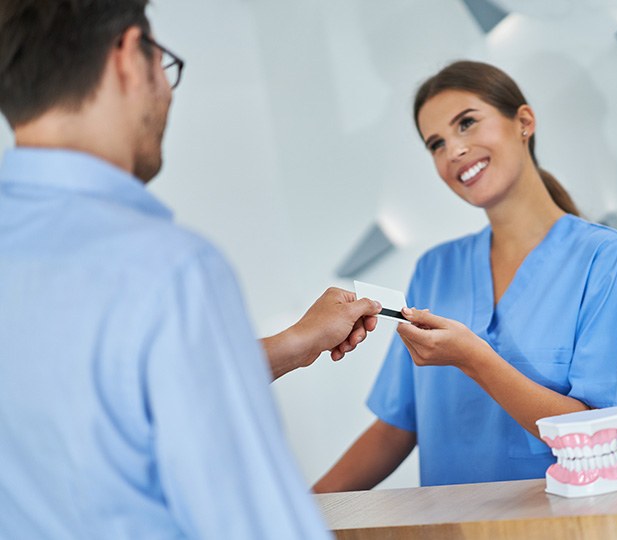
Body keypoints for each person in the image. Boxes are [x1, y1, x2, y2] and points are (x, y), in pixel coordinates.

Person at [0, 1, 381, 538]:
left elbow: (100, 396)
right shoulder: (169, 271)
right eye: (166, 65)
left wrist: (296, 342)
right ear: (132, 55)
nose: (169, 92)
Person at [313, 60, 617, 492]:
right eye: (435, 143)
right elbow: (394, 429)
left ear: (524, 122)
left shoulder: (605, 258)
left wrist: (475, 359)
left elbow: (597, 435)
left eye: (467, 124)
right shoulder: (435, 270)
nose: (453, 150)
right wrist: (292, 517)